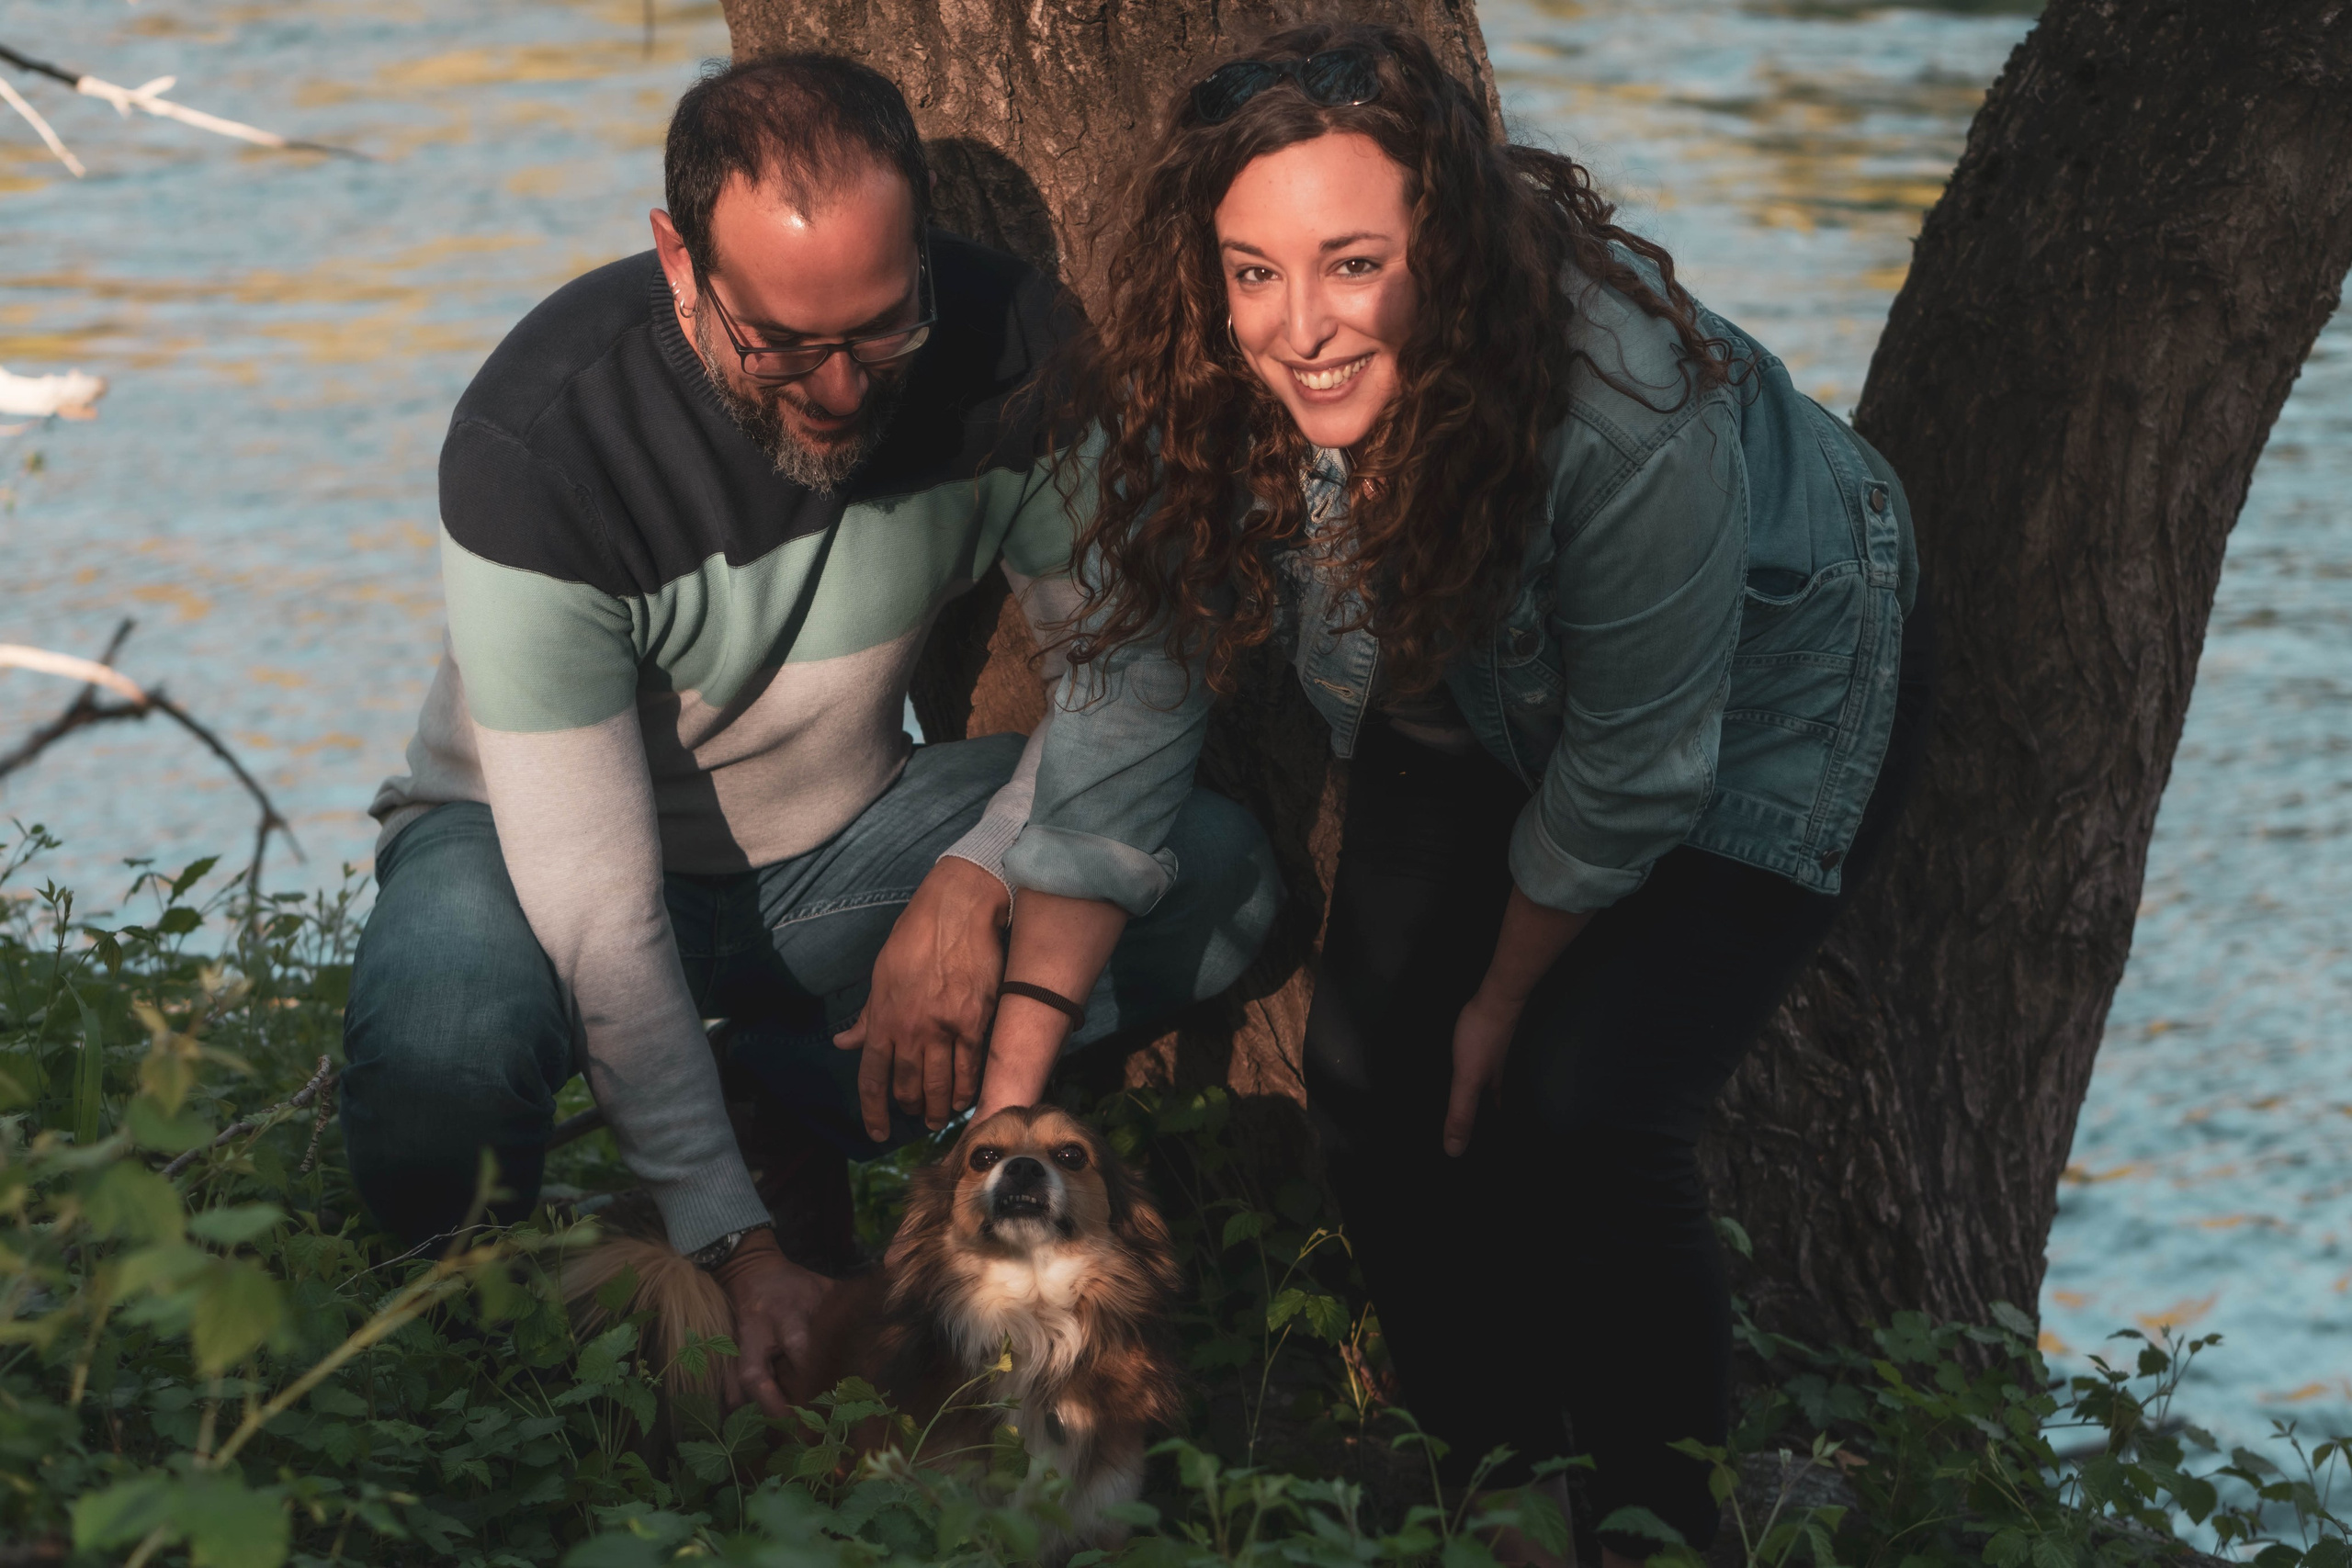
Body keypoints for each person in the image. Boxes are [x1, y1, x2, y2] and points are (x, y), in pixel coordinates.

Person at [970, 25, 1933, 1563]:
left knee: (1584, 1100)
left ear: (1451, 246)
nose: (1298, 330)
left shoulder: (1622, 411)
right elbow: (1127, 698)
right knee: (1365, 1082)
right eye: (1253, 271)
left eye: (1354, 264)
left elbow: (1632, 771)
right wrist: (1014, 1085)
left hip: (1766, 685)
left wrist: (1498, 998)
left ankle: (1656, 1528)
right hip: (1457, 669)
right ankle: (1497, 1497)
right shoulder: (1205, 377)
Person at [340, 53, 1279, 1417]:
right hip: (533, 857)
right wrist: (743, 1248)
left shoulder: (1015, 351)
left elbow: (1130, 680)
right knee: (443, 1038)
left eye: (881, 332)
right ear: (680, 260)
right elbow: (599, 911)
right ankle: (465, 1383)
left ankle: (780, 1100)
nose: (840, 391)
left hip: (824, 855)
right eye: (782, 344)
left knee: (1217, 868)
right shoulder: (544, 441)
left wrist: (979, 874)